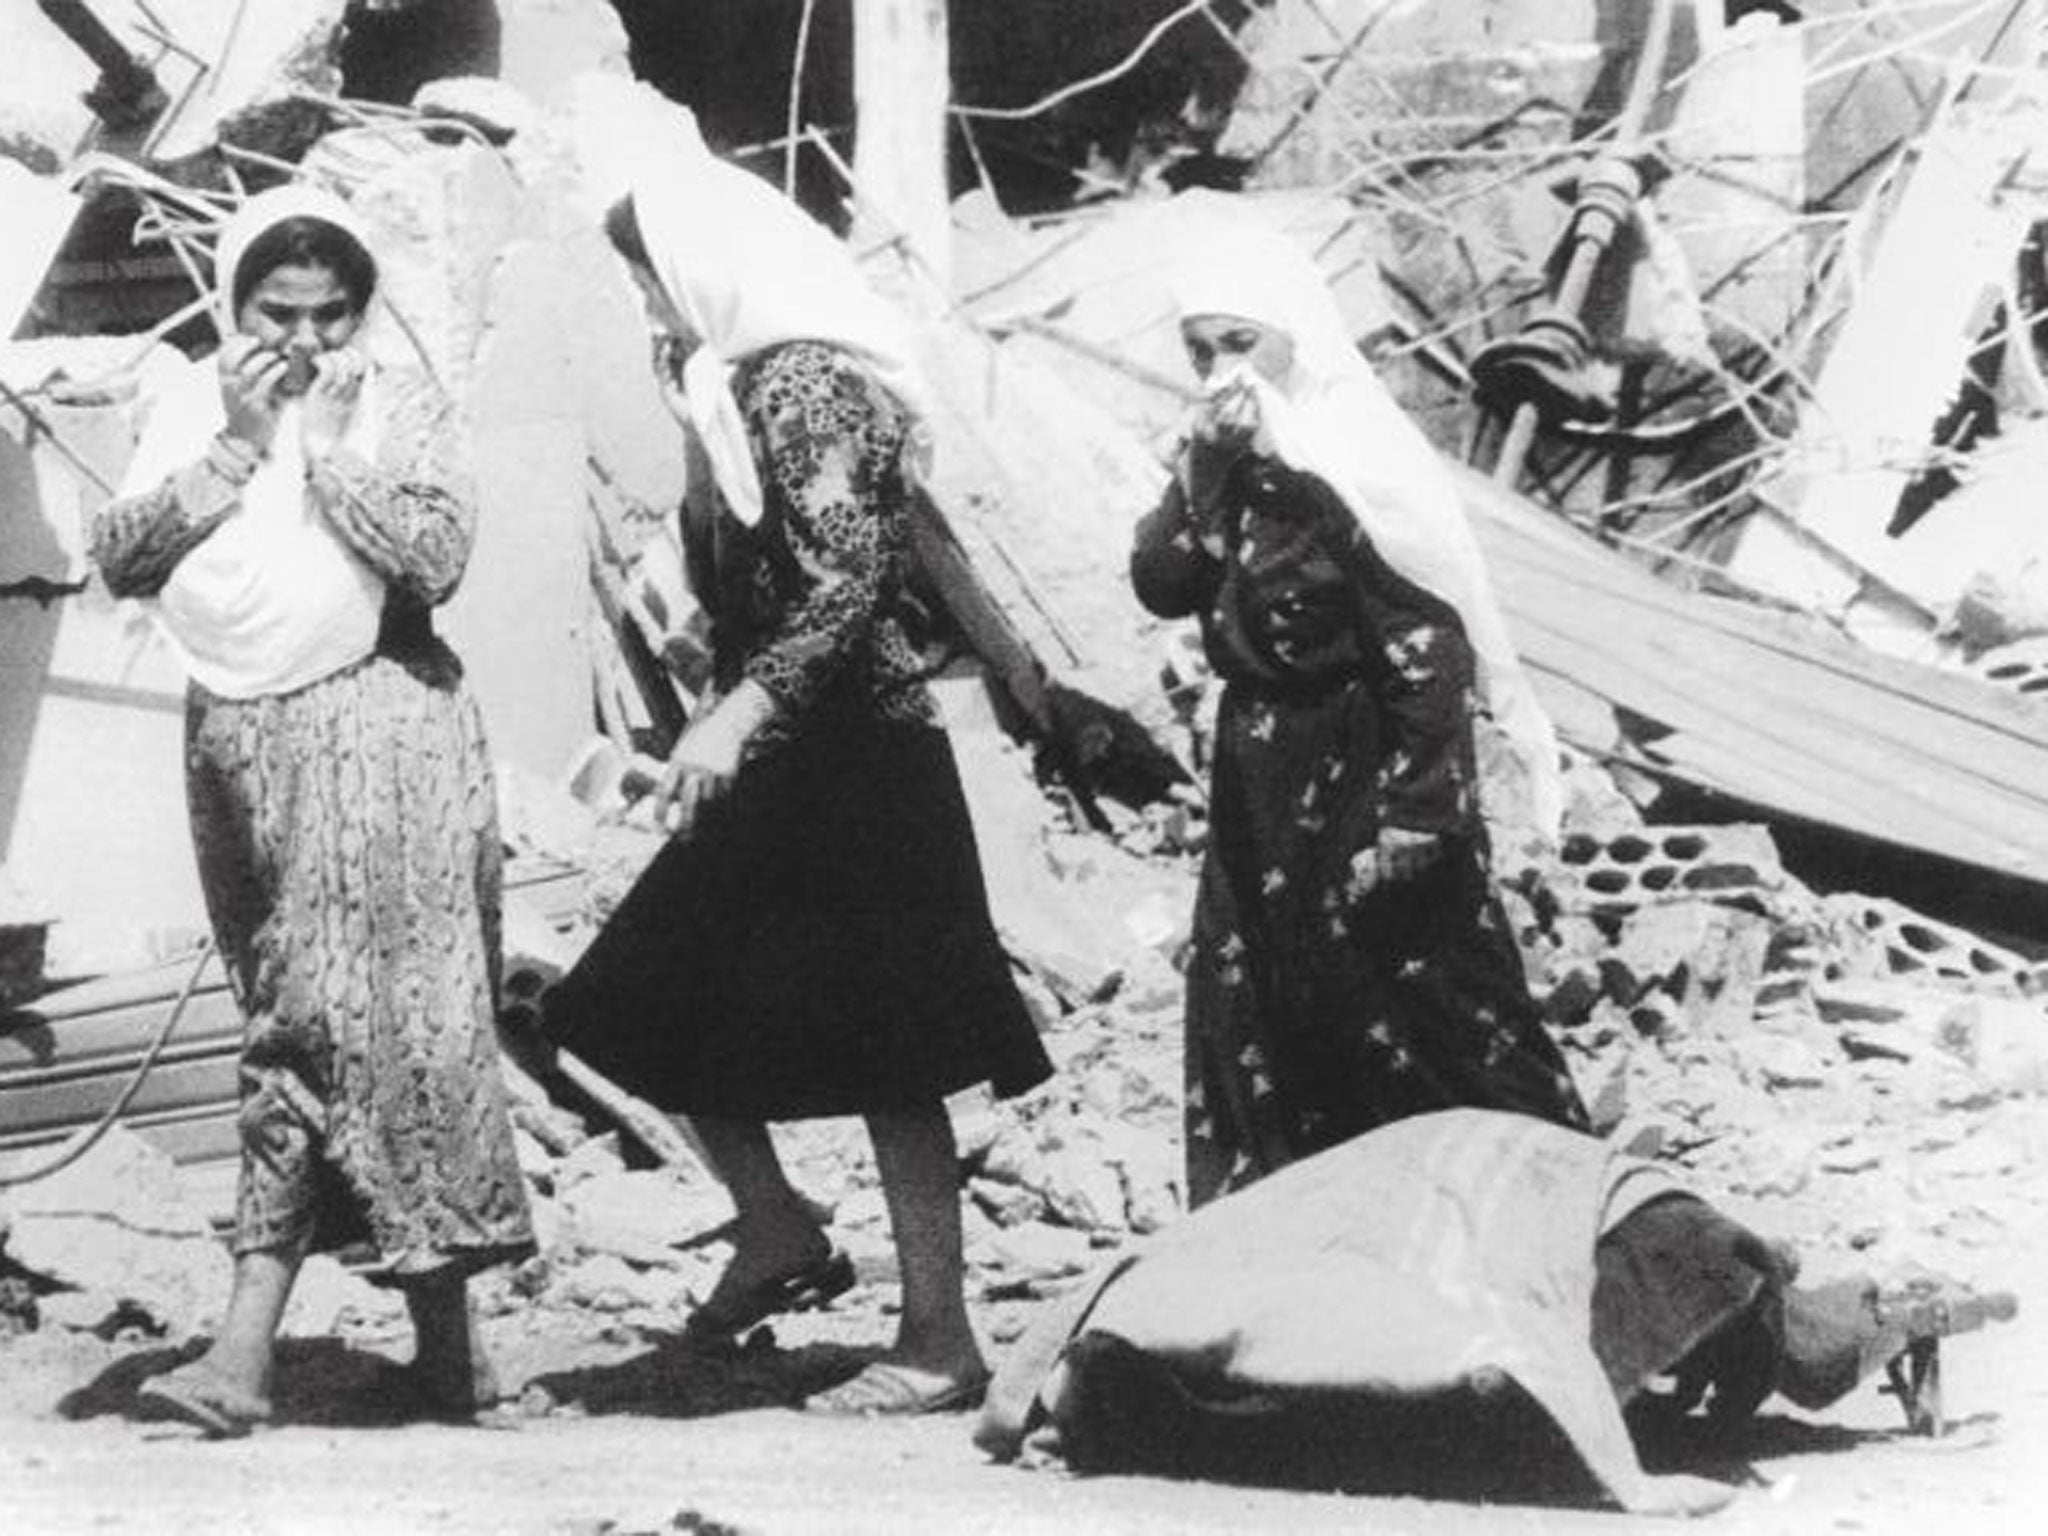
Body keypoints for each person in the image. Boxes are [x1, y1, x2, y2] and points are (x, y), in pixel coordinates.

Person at [532, 101, 1052, 1416]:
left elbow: (841, 590)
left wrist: (722, 720)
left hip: (860, 764)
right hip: (802, 758)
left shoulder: (802, 379)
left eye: (650, 272)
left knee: (895, 1053)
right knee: (641, 995)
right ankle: (776, 1232)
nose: (649, 300)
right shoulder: (753, 381)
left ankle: (939, 1340)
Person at [90, 184, 534, 1437]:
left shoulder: (400, 402)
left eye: (330, 318)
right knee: (307, 1017)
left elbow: (437, 555)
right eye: (274, 315)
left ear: (364, 313)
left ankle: (246, 1354)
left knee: (372, 1028)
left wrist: (332, 454)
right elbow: (120, 552)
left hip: (383, 730)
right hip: (242, 746)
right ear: (230, 306)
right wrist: (235, 446)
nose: (302, 344)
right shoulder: (186, 398)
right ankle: (454, 1359)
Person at [1129, 219, 1590, 1206]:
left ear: (1292, 332)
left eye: (1238, 344)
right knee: (1263, 1006)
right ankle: (1298, 1258)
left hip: (1359, 765)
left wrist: (1420, 810)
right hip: (1258, 773)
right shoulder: (1224, 465)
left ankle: (1556, 1225)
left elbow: (1426, 644)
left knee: (1423, 1003)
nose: (1218, 371)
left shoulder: (1350, 462)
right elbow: (1160, 583)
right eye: (1198, 350)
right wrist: (1199, 474)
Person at [976, 1107, 2017, 1516]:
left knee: (1779, 1325)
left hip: (1568, 1200)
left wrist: (1629, 1479)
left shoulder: (1183, 1315)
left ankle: (1876, 1312)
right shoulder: (1170, 1304)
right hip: (1481, 1185)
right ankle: (1848, 1309)